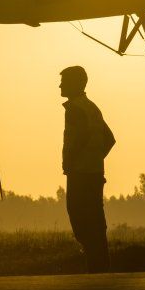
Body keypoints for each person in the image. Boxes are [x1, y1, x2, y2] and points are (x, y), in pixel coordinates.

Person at [59, 66, 115, 272]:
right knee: (96, 224)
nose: (60, 85)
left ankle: (96, 268)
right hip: (93, 174)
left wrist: (72, 162)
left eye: (64, 81)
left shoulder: (75, 109)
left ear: (75, 83)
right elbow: (109, 139)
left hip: (80, 175)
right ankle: (101, 266)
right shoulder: (92, 108)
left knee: (81, 222)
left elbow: (80, 139)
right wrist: (94, 159)